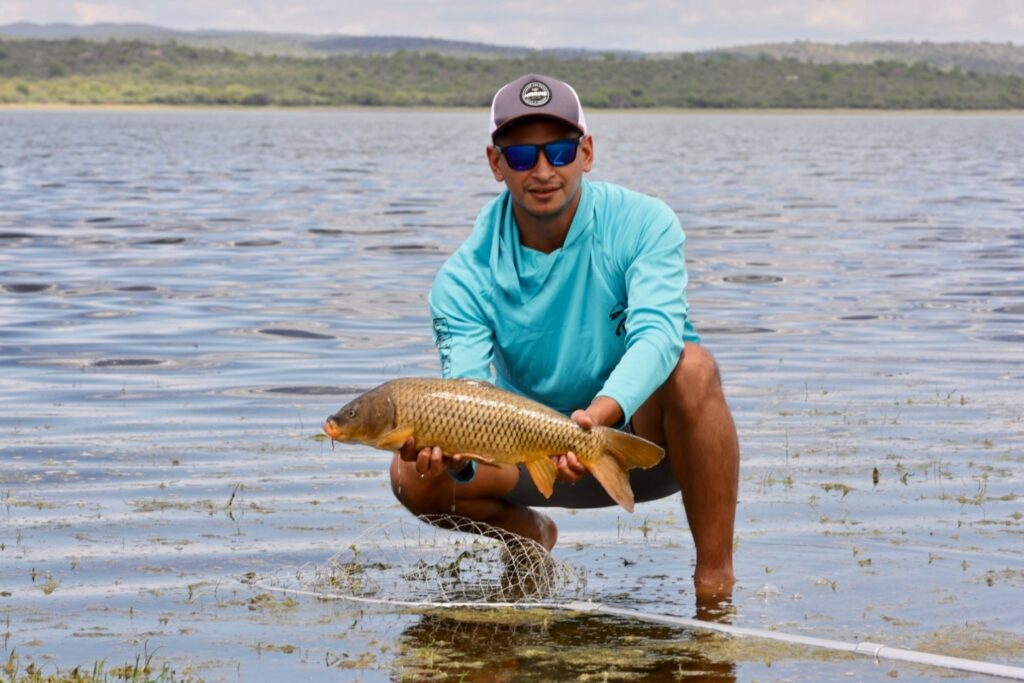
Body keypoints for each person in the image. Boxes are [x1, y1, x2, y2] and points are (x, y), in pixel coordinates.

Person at [389, 73, 739, 601]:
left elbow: (658, 335)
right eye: (523, 156)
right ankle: (527, 536)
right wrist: (454, 455)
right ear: (495, 164)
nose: (544, 171)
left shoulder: (646, 222)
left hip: (642, 449)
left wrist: (598, 417)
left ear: (587, 152)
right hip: (525, 459)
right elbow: (465, 390)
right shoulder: (461, 279)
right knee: (412, 475)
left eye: (559, 150)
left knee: (693, 367)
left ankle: (715, 584)